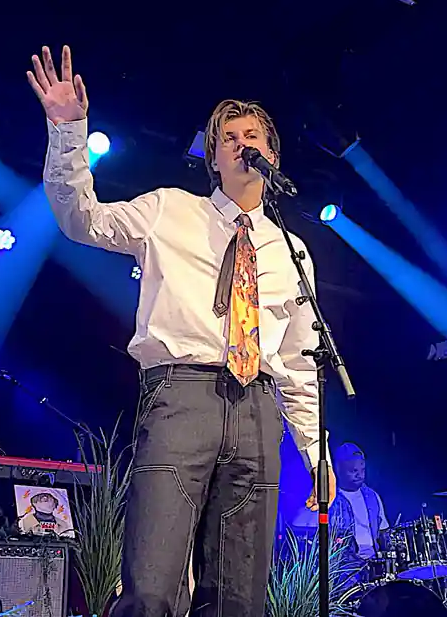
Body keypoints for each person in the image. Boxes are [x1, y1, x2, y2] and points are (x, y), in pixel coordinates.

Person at [27, 45, 336, 617]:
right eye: (230, 138)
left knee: (240, 599)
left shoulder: (291, 251)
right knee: (151, 586)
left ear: (272, 155)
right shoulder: (170, 209)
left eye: (255, 137)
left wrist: (316, 453)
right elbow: (80, 219)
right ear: (213, 158)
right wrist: (67, 133)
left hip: (259, 407)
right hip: (181, 395)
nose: (245, 145)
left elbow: (296, 363)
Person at [330, 443, 393, 617]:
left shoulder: (372, 496)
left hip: (374, 564)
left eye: (362, 470)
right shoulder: (331, 498)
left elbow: (384, 532)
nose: (359, 475)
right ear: (338, 469)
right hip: (345, 568)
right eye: (353, 471)